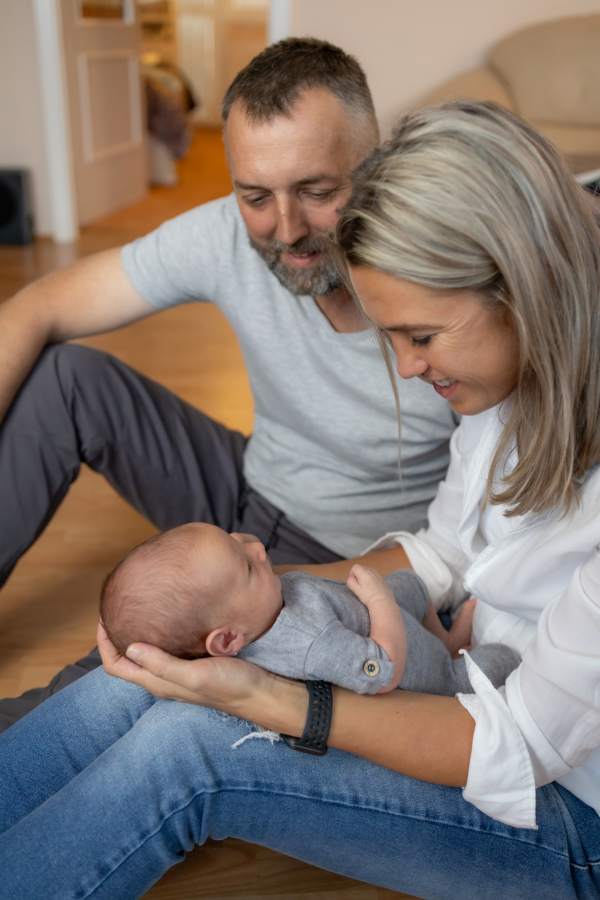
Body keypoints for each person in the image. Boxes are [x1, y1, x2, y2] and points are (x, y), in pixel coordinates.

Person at [3, 101, 600, 899]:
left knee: (189, 742)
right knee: (148, 676)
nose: (408, 369)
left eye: (422, 336)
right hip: (461, 674)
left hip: (558, 811)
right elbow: (446, 550)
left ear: (533, 284)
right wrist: (272, 613)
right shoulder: (507, 384)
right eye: (392, 336)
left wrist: (268, 693)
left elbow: (516, 746)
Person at [0, 38, 457, 731]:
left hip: (352, 559)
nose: (287, 230)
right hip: (242, 496)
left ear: (379, 159)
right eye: (255, 196)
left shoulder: (451, 310)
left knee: (144, 672)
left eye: (318, 191)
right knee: (66, 377)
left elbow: (467, 547)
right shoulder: (231, 233)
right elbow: (40, 306)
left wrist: (278, 601)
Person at [100, 522, 518, 695]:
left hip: (375, 619)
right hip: (424, 673)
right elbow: (383, 670)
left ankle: (446, 640)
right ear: (227, 639)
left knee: (410, 582)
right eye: (246, 565)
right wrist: (377, 599)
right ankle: (452, 662)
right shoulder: (311, 645)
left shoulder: (257, 614)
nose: (259, 548)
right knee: (502, 657)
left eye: (235, 538)